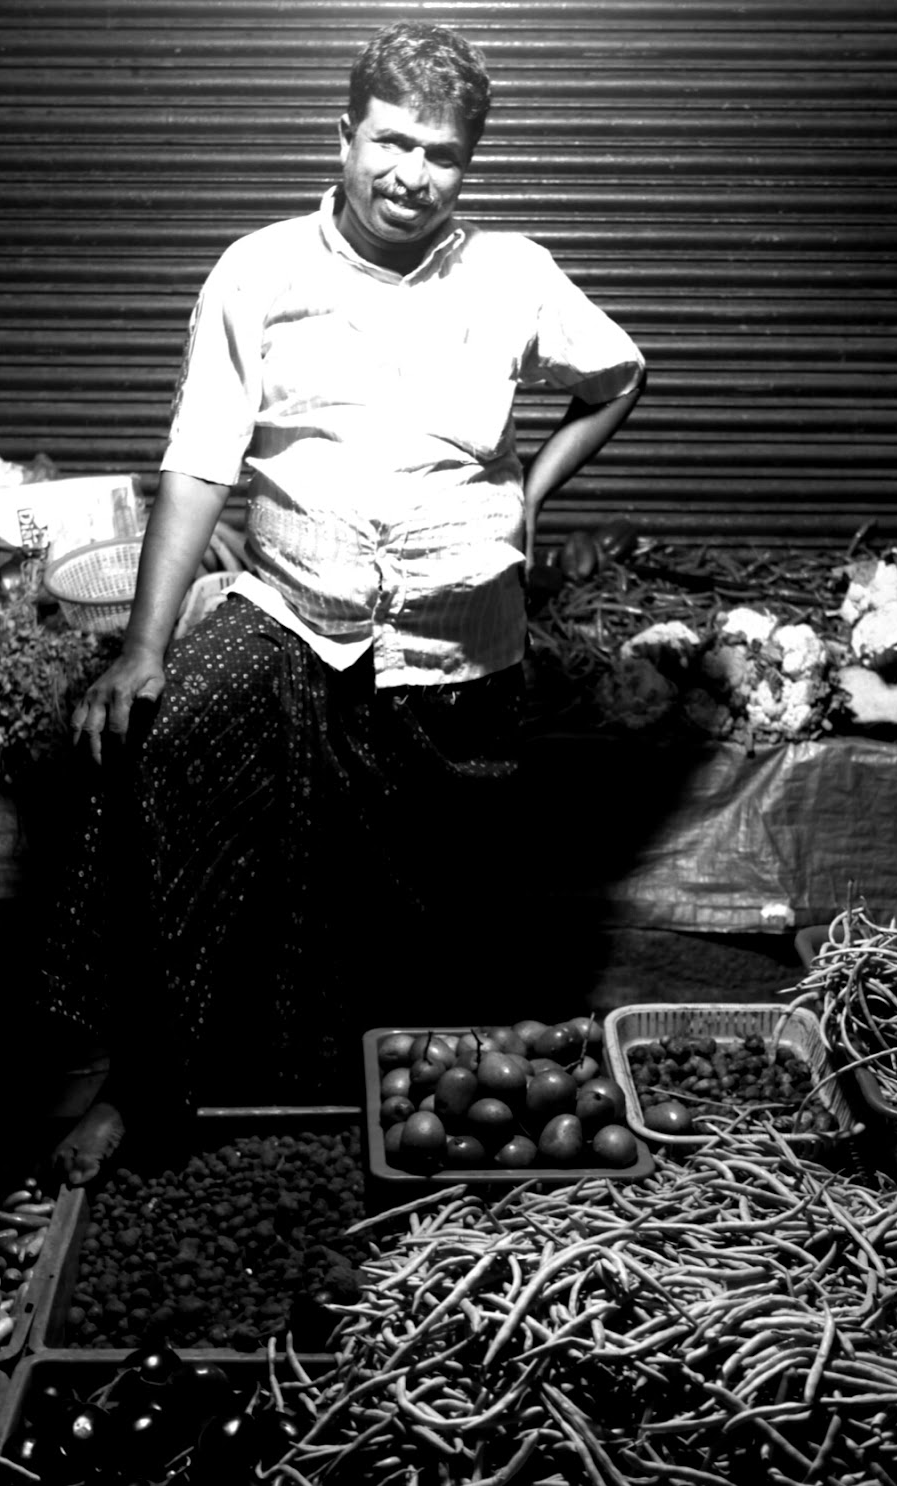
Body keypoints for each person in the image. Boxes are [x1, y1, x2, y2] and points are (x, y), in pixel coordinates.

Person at [45, 19, 646, 1185]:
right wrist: (144, 647)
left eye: (443, 153)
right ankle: (145, 1083)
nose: (413, 174)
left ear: (469, 163)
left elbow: (619, 374)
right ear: (345, 135)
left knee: (447, 892)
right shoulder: (259, 272)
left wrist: (528, 491)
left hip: (459, 645)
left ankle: (428, 1125)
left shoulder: (514, 275)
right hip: (293, 615)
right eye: (392, 141)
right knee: (164, 743)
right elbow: (200, 460)